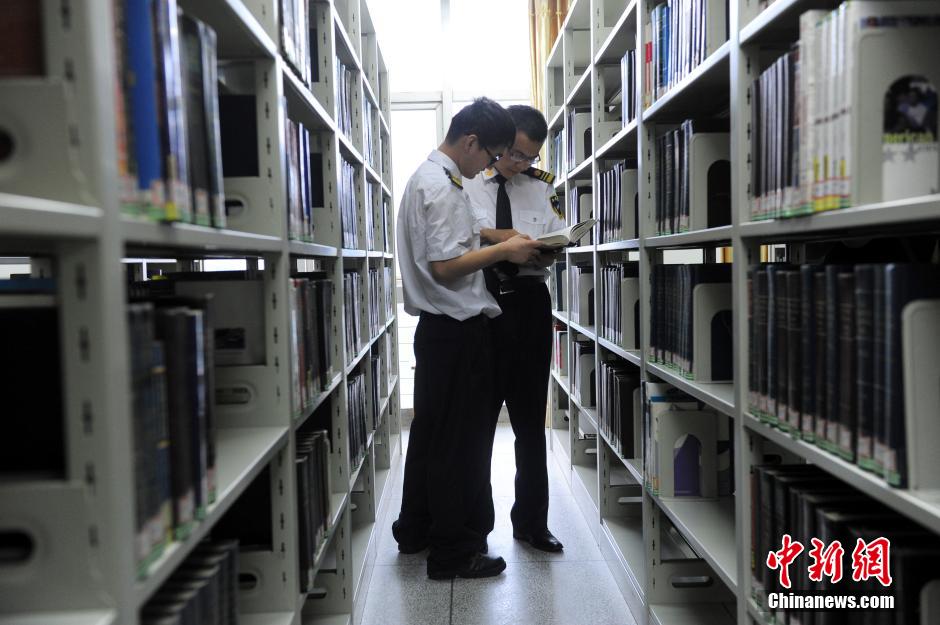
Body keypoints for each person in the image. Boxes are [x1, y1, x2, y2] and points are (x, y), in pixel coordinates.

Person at [392, 97, 543, 580]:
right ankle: (454, 553)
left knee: (434, 437)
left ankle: (415, 530)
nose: (490, 167)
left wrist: (497, 239)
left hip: (439, 334)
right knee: (462, 447)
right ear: (471, 142)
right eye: (491, 154)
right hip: (456, 333)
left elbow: (452, 245)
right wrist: (508, 247)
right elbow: (445, 266)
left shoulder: (430, 178)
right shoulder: (442, 185)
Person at [462, 104, 566, 552]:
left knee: (529, 421)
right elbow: (466, 235)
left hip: (529, 304)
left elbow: (559, 235)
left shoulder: (543, 189)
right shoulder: (467, 180)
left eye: (530, 158)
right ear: (502, 143)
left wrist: (546, 249)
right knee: (480, 423)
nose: (521, 164)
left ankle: (532, 523)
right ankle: (475, 528)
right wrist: (506, 240)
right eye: (516, 154)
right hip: (484, 305)